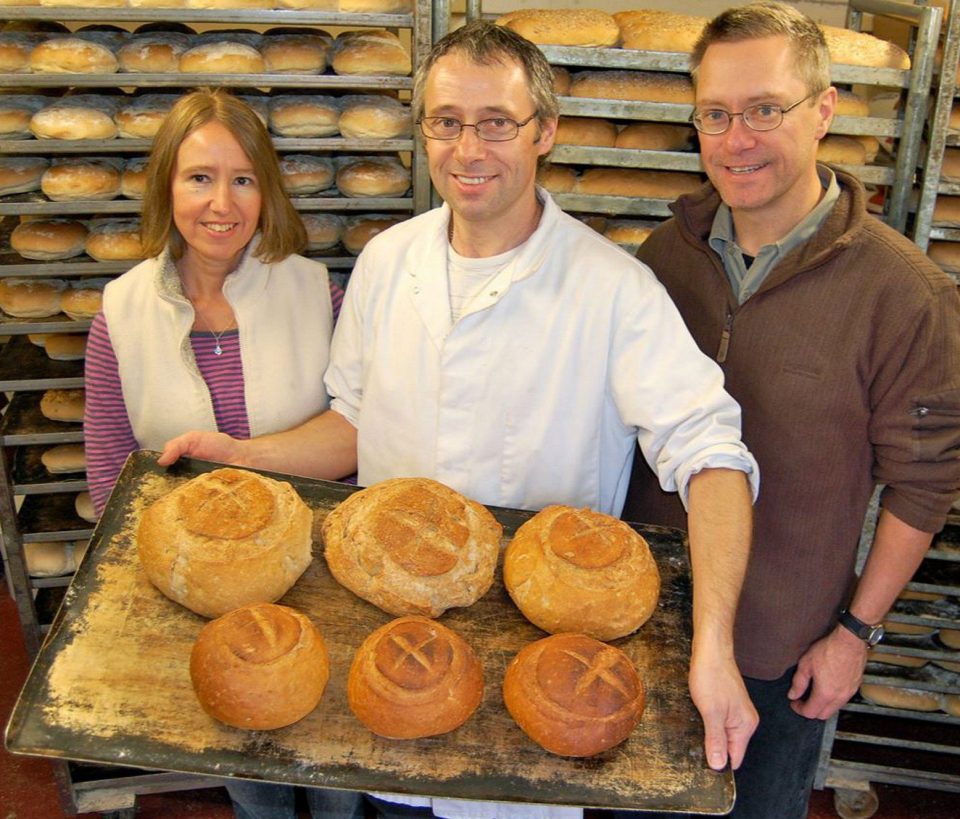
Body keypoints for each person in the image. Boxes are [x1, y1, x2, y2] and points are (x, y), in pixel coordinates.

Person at [160, 22, 761, 819]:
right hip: (392, 672)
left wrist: (714, 645)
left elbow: (713, 457)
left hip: (532, 691)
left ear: (544, 131)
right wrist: (243, 453)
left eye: (495, 123)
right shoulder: (386, 261)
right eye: (446, 122)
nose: (467, 148)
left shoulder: (613, 290)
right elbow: (355, 421)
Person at [620, 4, 960, 819]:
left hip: (781, 645)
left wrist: (854, 635)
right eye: (716, 114)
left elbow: (922, 486)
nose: (737, 139)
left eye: (765, 109)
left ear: (824, 110)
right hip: (647, 616)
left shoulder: (905, 294)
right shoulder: (667, 257)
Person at [82, 89, 361, 819]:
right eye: (199, 176)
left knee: (335, 781)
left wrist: (241, 456)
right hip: (200, 598)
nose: (221, 203)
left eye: (242, 178)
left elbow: (357, 440)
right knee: (251, 779)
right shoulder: (120, 314)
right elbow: (114, 474)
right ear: (166, 185)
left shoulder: (318, 295)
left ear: (266, 189)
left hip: (317, 584)